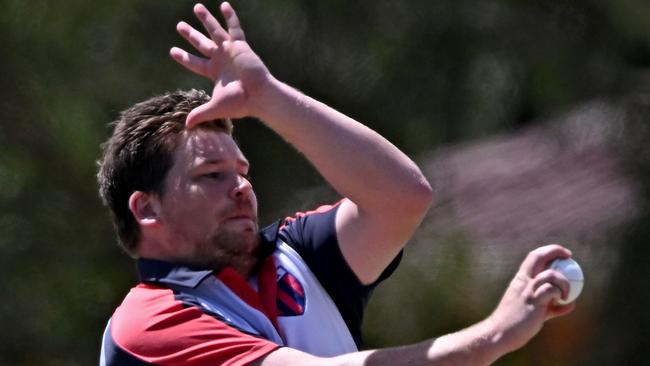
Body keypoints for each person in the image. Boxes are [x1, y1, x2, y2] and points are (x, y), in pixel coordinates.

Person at [97, 2, 576, 365]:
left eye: (242, 172)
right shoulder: (147, 324)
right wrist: (495, 334)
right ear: (147, 209)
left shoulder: (295, 254)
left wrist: (268, 98)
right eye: (211, 176)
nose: (241, 188)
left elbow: (403, 198)